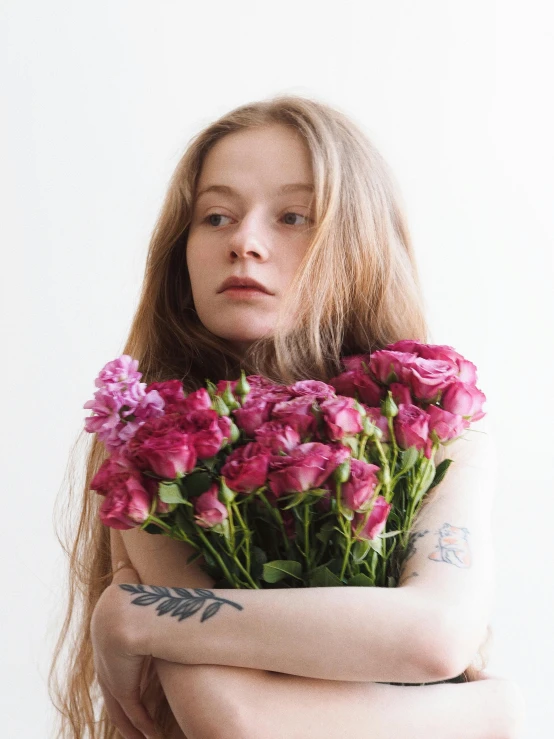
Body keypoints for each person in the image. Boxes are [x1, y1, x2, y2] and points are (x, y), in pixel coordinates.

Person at [49, 95, 525, 739]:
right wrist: (486, 714)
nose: (244, 242)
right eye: (215, 216)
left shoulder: (438, 427)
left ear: (357, 245)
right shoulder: (155, 454)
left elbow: (435, 637)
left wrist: (136, 619)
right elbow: (240, 722)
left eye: (294, 216)